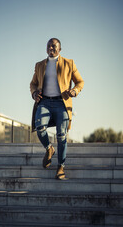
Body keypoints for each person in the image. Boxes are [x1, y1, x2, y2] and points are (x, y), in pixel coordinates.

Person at [30, 38, 84, 180]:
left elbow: (80, 81)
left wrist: (74, 91)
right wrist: (34, 93)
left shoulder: (69, 63)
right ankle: (49, 149)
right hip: (45, 102)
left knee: (61, 136)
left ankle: (61, 167)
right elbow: (33, 84)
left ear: (60, 49)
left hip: (62, 103)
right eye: (49, 46)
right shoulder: (40, 65)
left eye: (54, 46)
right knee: (39, 126)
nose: (51, 49)